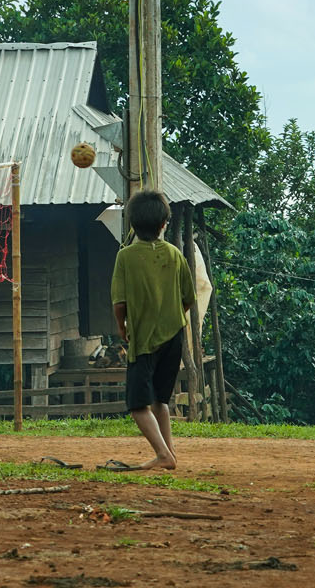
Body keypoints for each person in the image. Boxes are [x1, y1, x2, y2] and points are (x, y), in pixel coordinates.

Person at [104, 189, 194, 472]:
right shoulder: (175, 254)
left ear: (132, 224)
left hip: (143, 340)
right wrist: (172, 318)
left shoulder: (126, 257)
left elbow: (120, 302)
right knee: (160, 400)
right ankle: (169, 454)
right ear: (164, 224)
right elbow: (188, 298)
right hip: (174, 335)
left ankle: (162, 454)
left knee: (137, 404)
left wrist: (122, 326)